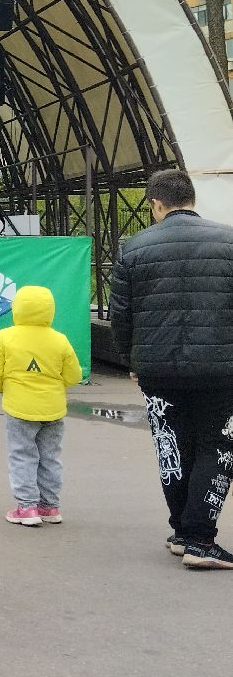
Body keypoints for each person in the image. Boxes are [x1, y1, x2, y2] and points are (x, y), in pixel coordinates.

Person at [110, 168, 233, 568]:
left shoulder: (133, 248)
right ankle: (199, 539)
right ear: (192, 199)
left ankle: (183, 532)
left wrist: (131, 360)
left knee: (172, 445)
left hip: (157, 370)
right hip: (221, 370)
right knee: (216, 445)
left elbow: (121, 315)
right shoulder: (229, 241)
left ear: (155, 204)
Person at [0, 285, 82, 526]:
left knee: (22, 455)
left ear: (17, 309)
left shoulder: (6, 336)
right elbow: (74, 375)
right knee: (50, 457)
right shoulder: (59, 340)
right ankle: (50, 507)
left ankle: (27, 508)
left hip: (19, 408)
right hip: (53, 409)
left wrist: (4, 386)